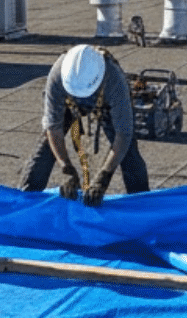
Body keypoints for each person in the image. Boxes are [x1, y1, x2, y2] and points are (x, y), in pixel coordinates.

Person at [19, 44, 149, 205]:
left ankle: (142, 205)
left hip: (105, 102)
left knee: (130, 154)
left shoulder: (114, 79)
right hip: (67, 103)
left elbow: (123, 134)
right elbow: (53, 128)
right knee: (44, 150)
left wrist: (104, 176)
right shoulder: (58, 75)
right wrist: (66, 168)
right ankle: (25, 202)